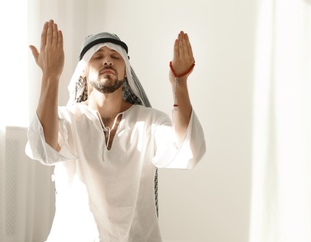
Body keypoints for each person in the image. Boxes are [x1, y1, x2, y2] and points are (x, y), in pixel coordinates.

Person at [25, 19, 206, 241]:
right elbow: (43, 148)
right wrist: (50, 76)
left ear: (126, 71)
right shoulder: (66, 119)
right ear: (82, 71)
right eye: (98, 56)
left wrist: (180, 81)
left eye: (115, 57)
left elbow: (188, 151)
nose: (107, 61)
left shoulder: (148, 121)